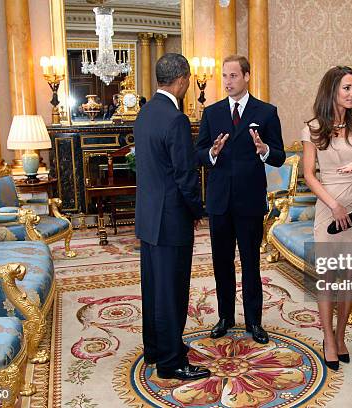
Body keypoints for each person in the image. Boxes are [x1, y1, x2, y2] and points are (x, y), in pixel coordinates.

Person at [195, 55, 285, 344]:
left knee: (250, 264)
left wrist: (264, 149)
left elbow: (280, 156)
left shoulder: (267, 112)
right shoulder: (212, 113)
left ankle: (254, 322)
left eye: (233, 76)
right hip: (220, 202)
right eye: (224, 76)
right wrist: (212, 152)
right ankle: (225, 317)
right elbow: (198, 153)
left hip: (249, 201)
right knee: (222, 263)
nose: (227, 82)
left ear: (247, 76)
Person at [134, 53, 210, 381]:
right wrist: (198, 210)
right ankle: (170, 361)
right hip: (171, 219)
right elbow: (184, 175)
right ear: (181, 80)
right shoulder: (176, 118)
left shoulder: (146, 113)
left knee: (153, 286)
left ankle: (154, 347)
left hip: (149, 218)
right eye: (189, 79)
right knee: (172, 291)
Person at [301, 66, 352, 371]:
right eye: (347, 88)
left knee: (348, 278)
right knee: (327, 276)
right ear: (332, 89)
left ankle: (341, 337)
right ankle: (328, 339)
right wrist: (333, 205)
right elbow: (308, 175)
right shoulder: (313, 128)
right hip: (329, 205)